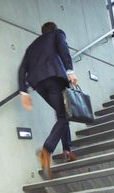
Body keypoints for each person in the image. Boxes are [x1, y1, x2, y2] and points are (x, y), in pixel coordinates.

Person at [18, 21, 78, 179]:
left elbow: (22, 69)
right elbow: (64, 50)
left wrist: (24, 92)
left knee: (62, 114)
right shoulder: (57, 34)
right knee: (64, 115)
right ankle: (47, 150)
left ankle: (67, 150)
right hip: (53, 78)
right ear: (54, 29)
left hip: (38, 84)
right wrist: (70, 71)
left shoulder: (31, 47)